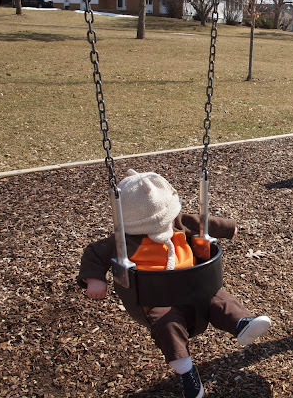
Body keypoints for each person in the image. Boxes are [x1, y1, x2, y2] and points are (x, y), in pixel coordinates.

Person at [77, 169, 271, 398]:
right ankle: (186, 372)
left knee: (218, 298)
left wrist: (228, 228)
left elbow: (201, 222)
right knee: (167, 326)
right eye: (157, 224)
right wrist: (94, 279)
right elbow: (94, 253)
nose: (168, 226)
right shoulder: (123, 241)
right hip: (157, 301)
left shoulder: (177, 222)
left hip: (195, 288)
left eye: (167, 219)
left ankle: (242, 323)